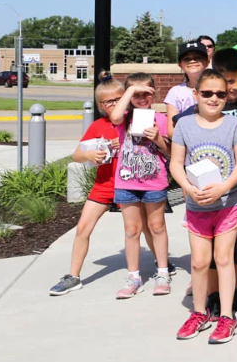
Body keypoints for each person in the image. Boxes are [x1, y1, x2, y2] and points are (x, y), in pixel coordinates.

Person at [180, 48, 237, 318]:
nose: (234, 87)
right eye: (229, 82)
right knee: (213, 252)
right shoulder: (205, 109)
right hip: (207, 192)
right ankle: (214, 296)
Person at [169, 70, 237, 343]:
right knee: (200, 261)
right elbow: (176, 163)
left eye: (220, 93)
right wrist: (188, 188)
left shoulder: (234, 125)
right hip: (197, 205)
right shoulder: (184, 125)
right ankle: (199, 312)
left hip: (228, 203)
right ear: (196, 94)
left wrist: (223, 187)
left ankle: (227, 316)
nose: (214, 98)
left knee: (224, 259)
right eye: (207, 93)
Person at [49, 78, 125, 296]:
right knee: (83, 228)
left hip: (132, 185)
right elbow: (77, 155)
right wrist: (89, 154)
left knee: (146, 228)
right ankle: (73, 276)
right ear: (101, 105)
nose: (112, 105)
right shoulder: (97, 126)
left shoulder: (132, 122)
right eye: (107, 102)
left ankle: (161, 266)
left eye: (117, 100)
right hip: (104, 185)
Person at [107, 72, 172, 299]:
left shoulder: (161, 119)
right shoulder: (124, 117)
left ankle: (162, 272)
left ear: (154, 93)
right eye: (136, 94)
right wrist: (130, 92)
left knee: (156, 227)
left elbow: (170, 151)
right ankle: (133, 276)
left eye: (146, 93)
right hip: (127, 182)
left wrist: (157, 138)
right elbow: (114, 116)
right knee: (132, 230)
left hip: (154, 181)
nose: (142, 98)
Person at [165, 42, 209, 116]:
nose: (192, 61)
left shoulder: (217, 89)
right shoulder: (175, 92)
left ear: (207, 62)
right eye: (187, 59)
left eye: (197, 57)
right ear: (180, 65)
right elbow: (172, 125)